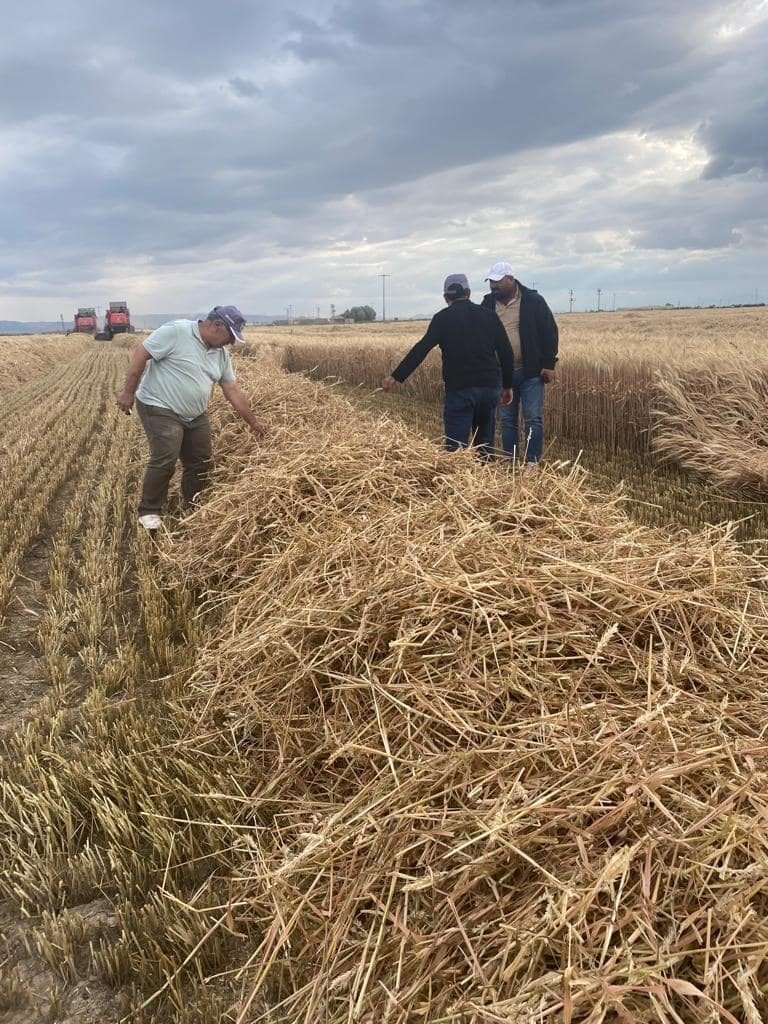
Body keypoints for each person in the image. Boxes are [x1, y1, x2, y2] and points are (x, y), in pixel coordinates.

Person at [115, 305, 268, 530]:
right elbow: (141, 353)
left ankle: (191, 507)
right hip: (159, 406)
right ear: (217, 325)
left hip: (195, 414)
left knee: (201, 460)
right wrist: (128, 392)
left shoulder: (221, 354)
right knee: (165, 457)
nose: (231, 343)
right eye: (230, 336)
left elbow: (232, 389)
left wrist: (254, 423)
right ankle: (149, 512)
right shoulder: (177, 331)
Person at [382, 274, 514, 458]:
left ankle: (459, 483)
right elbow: (506, 352)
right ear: (468, 292)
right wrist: (507, 386)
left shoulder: (442, 319)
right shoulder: (489, 316)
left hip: (460, 390)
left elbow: (421, 349)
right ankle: (485, 481)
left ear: (446, 297)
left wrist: (395, 376)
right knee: (485, 447)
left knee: (455, 454)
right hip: (488, 389)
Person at [480, 262, 558, 464]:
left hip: (530, 371)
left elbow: (550, 331)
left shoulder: (533, 300)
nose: (493, 286)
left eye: (497, 282)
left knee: (533, 418)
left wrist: (549, 363)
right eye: (491, 282)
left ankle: (531, 462)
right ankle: (511, 460)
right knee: (507, 420)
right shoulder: (487, 304)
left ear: (510, 279)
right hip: (501, 373)